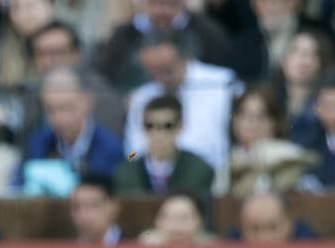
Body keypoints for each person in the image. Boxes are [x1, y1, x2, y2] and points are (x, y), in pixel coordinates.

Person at [125, 30, 237, 176]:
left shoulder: (221, 83)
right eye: (152, 72)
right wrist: (143, 153)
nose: (160, 78)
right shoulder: (141, 98)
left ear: (186, 58)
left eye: (167, 70)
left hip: (212, 175)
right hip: (152, 179)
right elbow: (130, 154)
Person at [20, 66, 123, 193]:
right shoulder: (38, 142)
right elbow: (19, 184)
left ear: (87, 102)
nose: (59, 118)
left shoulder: (110, 146)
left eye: (66, 108)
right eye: (50, 110)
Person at [92, 0, 234, 89]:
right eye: (155, 4)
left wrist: (184, 68)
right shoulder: (124, 35)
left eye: (170, 4)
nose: (162, 11)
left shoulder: (208, 33)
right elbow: (107, 77)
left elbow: (224, 75)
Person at [114, 94, 215, 200]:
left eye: (167, 126)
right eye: (150, 126)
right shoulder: (126, 172)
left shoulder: (199, 169)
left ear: (180, 127)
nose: (158, 134)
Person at [228, 86, 316, 195]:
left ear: (274, 122)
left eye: (260, 116)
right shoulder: (227, 159)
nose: (251, 122)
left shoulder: (290, 155)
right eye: (244, 115)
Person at [235, 190, 320, 241]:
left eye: (273, 227)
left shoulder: (311, 245)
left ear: (289, 224)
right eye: (254, 229)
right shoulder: (232, 246)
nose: (264, 238)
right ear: (242, 229)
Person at [138, 190, 214, 244]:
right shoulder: (144, 244)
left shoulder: (211, 247)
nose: (176, 225)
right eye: (168, 217)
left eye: (184, 218)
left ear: (200, 220)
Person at [69, 172, 123, 244]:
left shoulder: (133, 245)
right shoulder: (65, 247)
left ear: (113, 207)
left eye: (93, 206)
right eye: (76, 207)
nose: (83, 216)